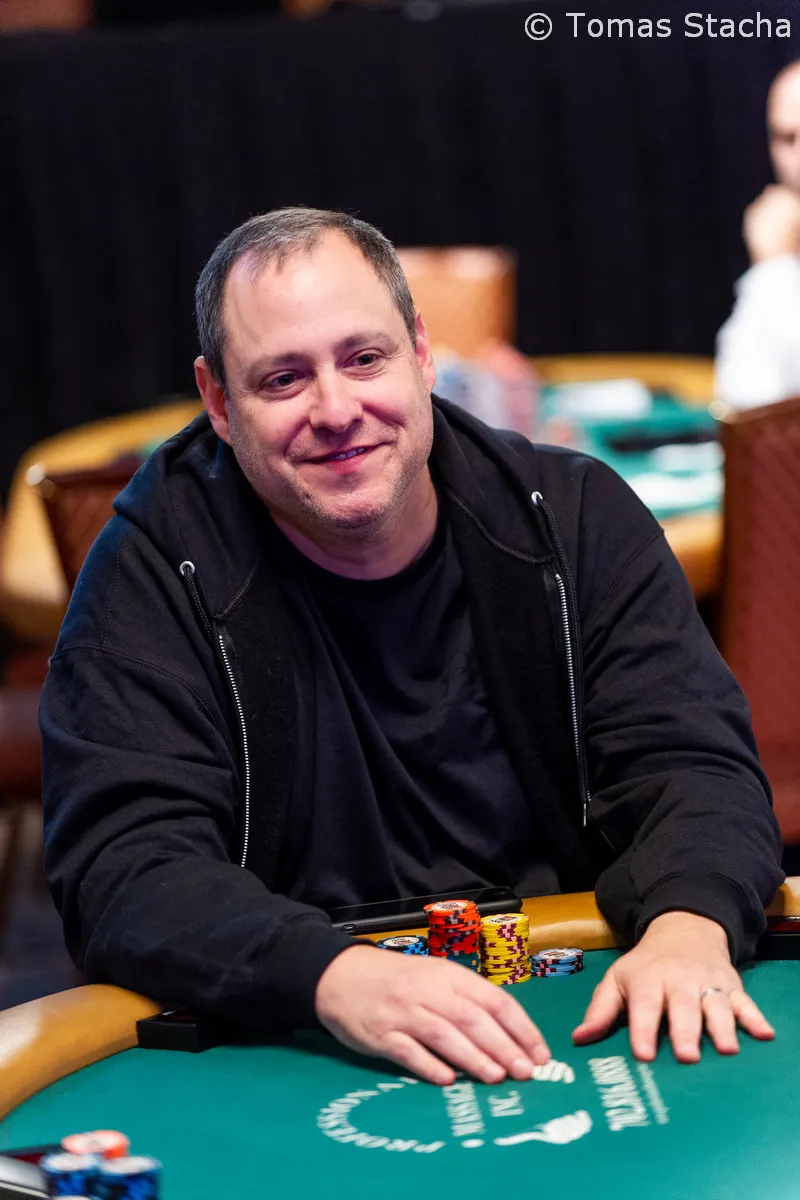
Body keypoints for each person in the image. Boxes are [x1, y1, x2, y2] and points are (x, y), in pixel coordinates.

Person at [41, 208, 783, 1089]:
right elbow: (125, 871)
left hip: (571, 1013)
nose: (336, 410)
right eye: (283, 379)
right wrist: (333, 977)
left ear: (422, 354)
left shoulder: (573, 518)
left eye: (365, 358)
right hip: (294, 1033)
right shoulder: (152, 571)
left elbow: (696, 768)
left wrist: (688, 927)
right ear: (219, 403)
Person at [715, 59, 800, 408]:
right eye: (786, 138)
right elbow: (745, 401)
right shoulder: (783, 241)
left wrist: (774, 273)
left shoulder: (778, 261)